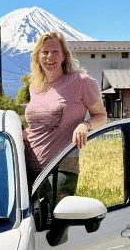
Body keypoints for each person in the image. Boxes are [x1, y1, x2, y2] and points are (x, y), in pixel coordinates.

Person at [23, 31, 107, 194]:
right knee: (28, 219)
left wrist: (85, 125)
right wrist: (19, 134)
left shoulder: (81, 81)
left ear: (64, 56)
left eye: (55, 51)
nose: (49, 56)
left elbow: (102, 117)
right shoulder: (35, 87)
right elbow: (39, 127)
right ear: (38, 57)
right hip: (27, 167)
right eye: (45, 52)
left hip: (61, 168)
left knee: (55, 218)